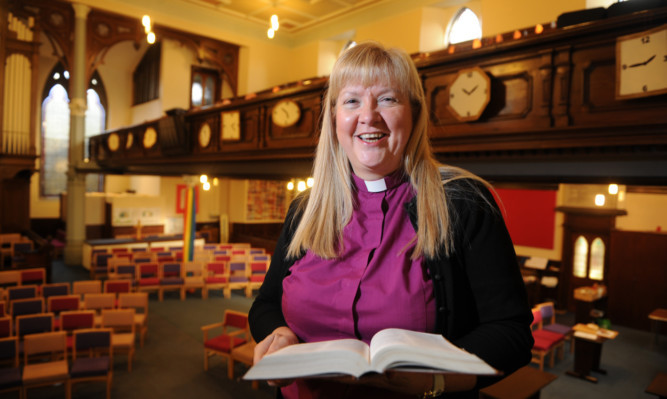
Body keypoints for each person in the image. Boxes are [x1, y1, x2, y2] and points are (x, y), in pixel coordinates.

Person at [249, 41, 533, 399]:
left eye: (387, 99)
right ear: (334, 116)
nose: (368, 116)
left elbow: (511, 332)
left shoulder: (463, 203)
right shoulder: (305, 209)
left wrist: (435, 378)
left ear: (413, 113)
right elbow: (266, 304)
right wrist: (278, 332)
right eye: (351, 101)